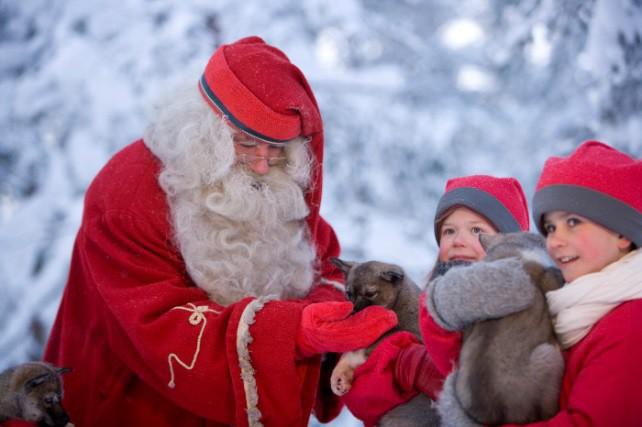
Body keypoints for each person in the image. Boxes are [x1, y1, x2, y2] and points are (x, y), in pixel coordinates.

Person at [36, 36, 398, 427]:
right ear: (206, 130)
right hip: (134, 403)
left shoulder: (270, 179)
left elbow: (318, 255)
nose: (262, 164)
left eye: (277, 148)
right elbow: (157, 325)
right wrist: (295, 332)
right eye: (246, 143)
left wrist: (332, 313)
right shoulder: (126, 193)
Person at [427, 141, 642, 426]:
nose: (555, 240)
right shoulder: (577, 306)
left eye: (573, 222)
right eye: (550, 227)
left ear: (622, 234)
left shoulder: (629, 324)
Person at [340, 175, 530, 426]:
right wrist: (403, 366)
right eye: (449, 230)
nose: (458, 240)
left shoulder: (523, 310)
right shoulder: (425, 305)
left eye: (476, 230)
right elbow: (361, 398)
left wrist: (417, 367)